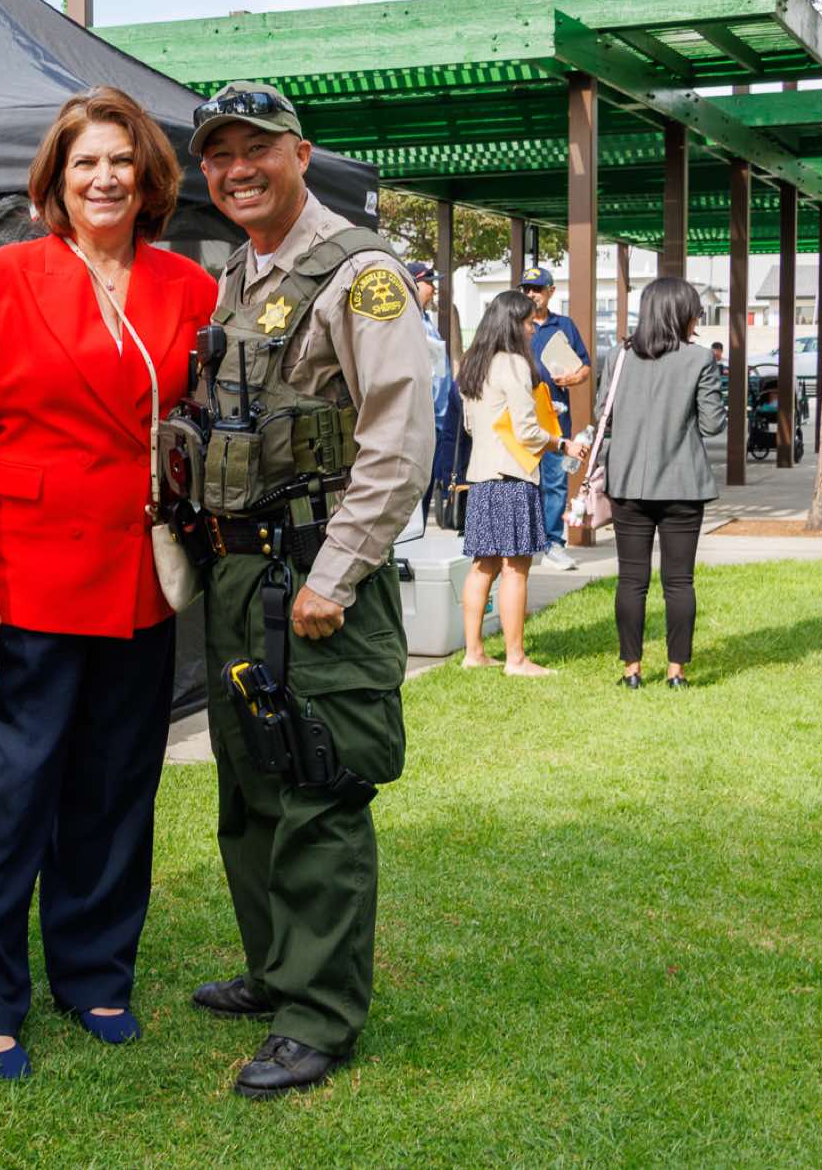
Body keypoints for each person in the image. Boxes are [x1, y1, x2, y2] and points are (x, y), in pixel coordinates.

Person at [0, 86, 216, 1079]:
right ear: (55, 179)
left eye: (120, 161)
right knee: (5, 798)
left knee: (115, 787)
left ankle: (95, 972)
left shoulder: (189, 286)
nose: (103, 178)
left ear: (148, 177)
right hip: (24, 579)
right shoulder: (0, 279)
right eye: (84, 162)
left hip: (138, 576)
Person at [181, 82, 433, 1099]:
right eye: (218, 155)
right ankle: (277, 968)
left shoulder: (359, 273)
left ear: (300, 153)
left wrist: (336, 574)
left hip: (316, 574)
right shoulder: (238, 275)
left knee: (317, 783)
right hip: (240, 569)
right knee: (249, 783)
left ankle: (318, 1012)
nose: (236, 169)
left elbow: (397, 440)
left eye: (257, 149)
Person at [592, 277, 726, 689]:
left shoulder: (618, 357)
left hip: (628, 480)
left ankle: (631, 670)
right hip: (683, 483)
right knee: (679, 581)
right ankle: (676, 672)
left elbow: (603, 415)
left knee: (631, 580)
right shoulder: (700, 359)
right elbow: (713, 424)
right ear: (684, 314)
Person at [457, 289, 585, 677]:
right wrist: (562, 442)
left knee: (483, 565)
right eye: (529, 323)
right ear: (514, 324)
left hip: (481, 477)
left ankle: (474, 653)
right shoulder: (513, 364)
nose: (533, 329)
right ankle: (516, 659)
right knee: (516, 567)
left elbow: (469, 426)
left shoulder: (473, 364)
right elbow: (527, 431)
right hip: (512, 476)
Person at [518, 266, 590, 570]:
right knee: (522, 482)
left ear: (551, 291)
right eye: (526, 289)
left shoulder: (565, 325)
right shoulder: (514, 325)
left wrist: (573, 379)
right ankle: (525, 542)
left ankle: (553, 544)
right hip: (522, 418)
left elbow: (585, 367)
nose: (531, 294)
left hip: (557, 420)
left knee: (556, 482)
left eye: (537, 289)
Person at [406, 260, 457, 505]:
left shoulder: (426, 320)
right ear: (413, 284)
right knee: (416, 493)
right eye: (428, 283)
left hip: (438, 420)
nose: (433, 289)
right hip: (421, 420)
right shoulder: (406, 320)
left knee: (427, 489)